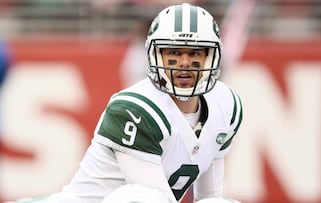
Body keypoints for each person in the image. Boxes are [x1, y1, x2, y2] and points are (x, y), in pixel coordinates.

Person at [9, 3, 243, 203]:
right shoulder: (135, 108)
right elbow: (150, 197)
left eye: (195, 53)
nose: (183, 62)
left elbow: (210, 196)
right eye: (173, 52)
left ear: (212, 56)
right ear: (154, 56)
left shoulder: (225, 104)